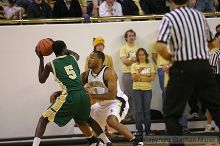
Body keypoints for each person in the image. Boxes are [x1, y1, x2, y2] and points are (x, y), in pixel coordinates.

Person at [155, 0, 220, 145]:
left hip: (182, 67)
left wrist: (173, 58)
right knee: (216, 107)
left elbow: (160, 47)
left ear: (169, 1)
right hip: (203, 66)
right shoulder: (199, 15)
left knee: (171, 114)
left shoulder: (170, 17)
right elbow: (211, 43)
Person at [33, 40, 100, 146]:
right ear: (65, 49)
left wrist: (41, 58)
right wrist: (61, 47)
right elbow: (76, 54)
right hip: (83, 94)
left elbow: (41, 79)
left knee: (43, 119)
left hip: (70, 95)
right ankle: (96, 141)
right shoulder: (72, 58)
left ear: (53, 51)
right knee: (84, 120)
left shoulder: (50, 65)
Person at [81, 51, 144, 146]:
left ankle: (136, 142)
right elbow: (75, 88)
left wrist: (91, 96)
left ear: (100, 60)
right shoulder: (86, 75)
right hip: (101, 104)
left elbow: (111, 95)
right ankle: (107, 143)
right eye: (89, 57)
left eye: (92, 57)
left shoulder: (109, 72)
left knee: (111, 121)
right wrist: (59, 93)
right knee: (84, 116)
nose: (89, 60)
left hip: (116, 101)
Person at [131, 48, 156, 136]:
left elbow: (152, 78)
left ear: (146, 55)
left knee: (146, 111)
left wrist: (141, 78)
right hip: (137, 90)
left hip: (147, 91)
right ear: (137, 56)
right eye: (139, 55)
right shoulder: (134, 65)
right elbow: (134, 78)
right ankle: (139, 131)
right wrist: (139, 72)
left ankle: (148, 130)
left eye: (143, 55)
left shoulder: (150, 65)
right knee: (138, 111)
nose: (141, 56)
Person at [120, 29, 139, 122]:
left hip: (137, 74)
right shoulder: (124, 48)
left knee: (136, 95)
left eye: (132, 35)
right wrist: (133, 58)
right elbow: (125, 61)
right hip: (127, 74)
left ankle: (135, 116)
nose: (131, 37)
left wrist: (130, 59)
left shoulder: (138, 48)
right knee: (127, 95)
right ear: (126, 38)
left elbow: (141, 61)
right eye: (129, 36)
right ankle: (127, 115)